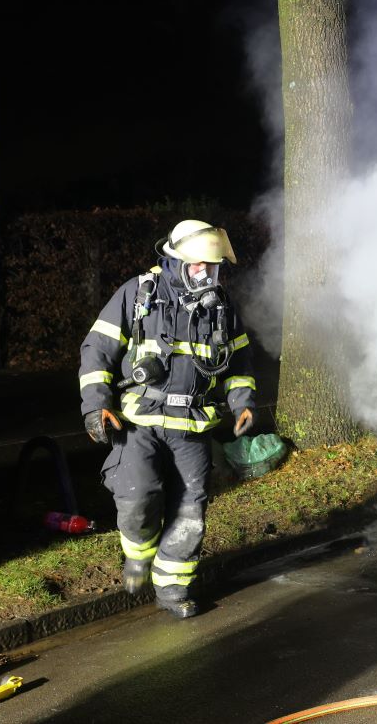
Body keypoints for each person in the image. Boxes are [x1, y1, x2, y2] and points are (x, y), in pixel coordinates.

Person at [78, 219, 257, 619]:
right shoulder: (139, 293)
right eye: (198, 266)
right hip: (139, 420)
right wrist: (95, 404)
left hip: (192, 425)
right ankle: (138, 556)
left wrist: (243, 402)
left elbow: (239, 362)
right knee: (139, 496)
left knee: (190, 510)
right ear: (176, 260)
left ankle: (173, 585)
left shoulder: (222, 307)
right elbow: (97, 351)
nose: (206, 274)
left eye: (212, 268)